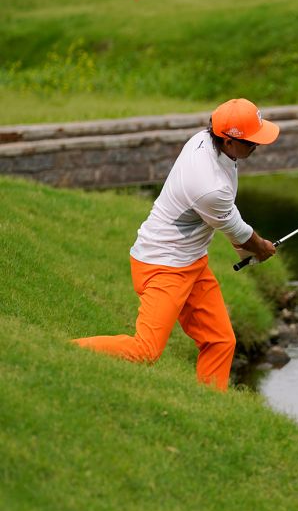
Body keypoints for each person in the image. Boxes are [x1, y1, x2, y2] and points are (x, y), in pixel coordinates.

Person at [72, 98, 279, 390]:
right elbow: (241, 234)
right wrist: (262, 248)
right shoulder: (210, 187)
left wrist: (251, 247)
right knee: (145, 350)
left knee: (220, 340)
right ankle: (66, 349)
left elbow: (235, 229)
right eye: (251, 143)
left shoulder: (204, 139)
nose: (256, 147)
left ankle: (209, 408)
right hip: (163, 266)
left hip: (191, 261)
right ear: (229, 141)